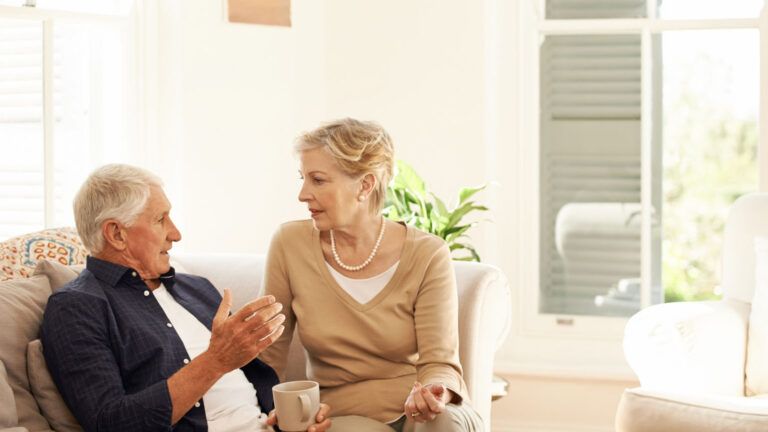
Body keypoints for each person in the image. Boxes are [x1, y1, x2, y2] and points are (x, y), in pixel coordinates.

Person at [40, 164, 332, 432]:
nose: (176, 234)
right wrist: (215, 360)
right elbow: (111, 423)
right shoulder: (76, 308)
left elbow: (251, 385)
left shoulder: (195, 288)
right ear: (117, 234)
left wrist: (286, 416)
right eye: (160, 219)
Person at [259, 119, 483, 431]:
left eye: (318, 180)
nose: (303, 194)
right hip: (342, 414)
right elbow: (268, 354)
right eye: (303, 179)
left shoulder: (428, 254)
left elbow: (439, 361)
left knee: (444, 424)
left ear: (365, 185)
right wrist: (263, 412)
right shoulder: (289, 245)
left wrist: (434, 393)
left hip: (421, 409)